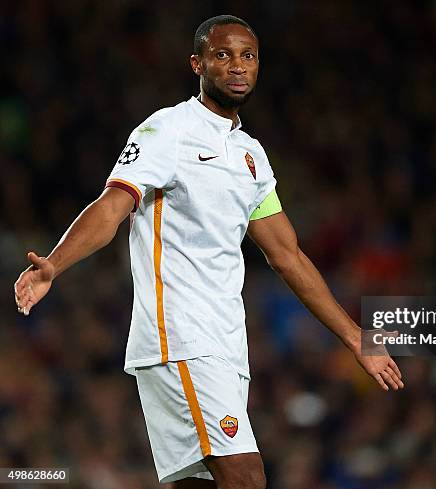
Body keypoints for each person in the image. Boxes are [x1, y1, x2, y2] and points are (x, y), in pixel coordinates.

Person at [14, 15, 404, 489]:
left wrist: (354, 337)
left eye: (248, 56)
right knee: (246, 478)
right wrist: (54, 263)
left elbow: (288, 256)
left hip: (225, 347)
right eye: (223, 55)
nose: (237, 66)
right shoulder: (168, 129)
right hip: (179, 337)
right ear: (197, 64)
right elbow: (112, 207)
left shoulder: (251, 157)